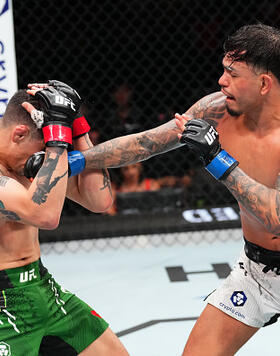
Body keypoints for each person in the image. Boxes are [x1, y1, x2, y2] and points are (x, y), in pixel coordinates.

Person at [173, 23, 280, 356]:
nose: (222, 81)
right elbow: (144, 144)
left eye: (233, 74)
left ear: (264, 83)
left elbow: (275, 218)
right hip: (257, 269)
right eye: (224, 71)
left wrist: (216, 159)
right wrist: (72, 154)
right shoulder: (219, 110)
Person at [0, 83, 130, 355]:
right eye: (42, 152)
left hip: (43, 288)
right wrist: (57, 138)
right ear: (19, 134)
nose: (43, 161)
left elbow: (100, 201)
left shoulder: (24, 159)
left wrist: (76, 122)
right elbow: (44, 216)